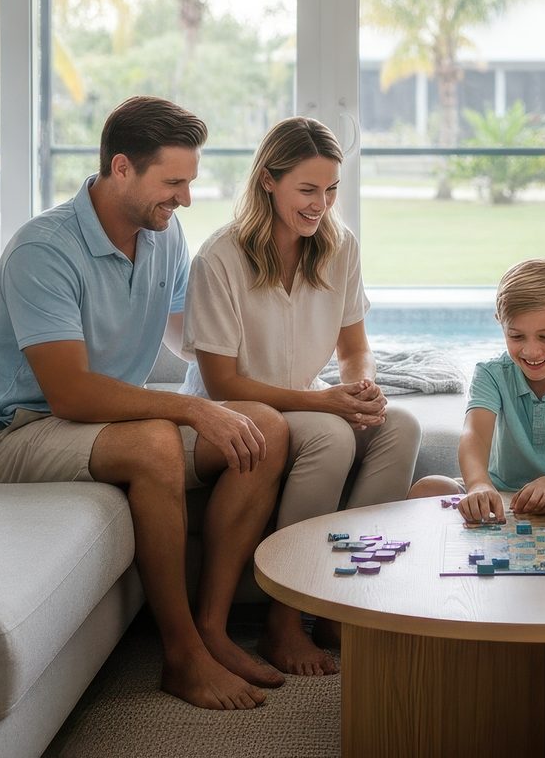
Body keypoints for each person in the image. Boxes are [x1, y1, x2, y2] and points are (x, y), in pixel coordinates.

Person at [0, 96, 291, 711]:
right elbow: (73, 393)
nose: (185, 199)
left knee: (264, 429)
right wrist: (194, 410)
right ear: (120, 168)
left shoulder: (163, 234)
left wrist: (282, 371)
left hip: (102, 422)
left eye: (189, 183)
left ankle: (213, 629)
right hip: (18, 431)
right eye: (173, 183)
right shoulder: (44, 250)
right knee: (155, 441)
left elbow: (188, 337)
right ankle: (181, 655)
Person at [181, 116, 421, 676]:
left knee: (401, 426)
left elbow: (355, 346)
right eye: (308, 190)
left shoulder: (339, 247)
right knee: (332, 436)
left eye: (332, 190)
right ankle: (285, 619)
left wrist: (359, 384)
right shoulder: (220, 259)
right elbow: (222, 384)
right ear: (268, 179)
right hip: (235, 410)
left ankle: (346, 604)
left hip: (310, 400)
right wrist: (328, 403)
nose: (321, 205)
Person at [408, 259, 545, 527]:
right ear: (501, 324)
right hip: (497, 495)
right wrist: (479, 485)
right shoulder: (491, 373)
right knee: (427, 488)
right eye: (516, 337)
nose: (531, 351)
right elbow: (475, 436)